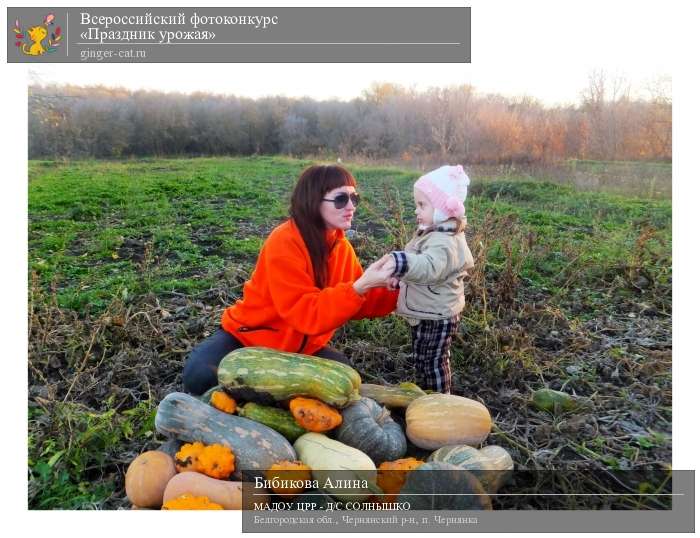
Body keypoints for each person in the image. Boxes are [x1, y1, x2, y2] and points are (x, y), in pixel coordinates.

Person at [182, 164, 398, 395]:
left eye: (355, 198)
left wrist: (401, 289)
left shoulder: (340, 247)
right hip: (249, 339)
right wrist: (360, 286)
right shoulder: (284, 242)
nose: (351, 207)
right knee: (200, 375)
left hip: (301, 352)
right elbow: (304, 311)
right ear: (314, 202)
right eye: (340, 199)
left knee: (344, 377)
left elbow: (361, 301)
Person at [387, 165, 474, 393]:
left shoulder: (444, 241)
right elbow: (419, 262)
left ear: (443, 209)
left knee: (434, 362)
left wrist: (401, 263)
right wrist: (401, 274)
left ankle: (439, 402)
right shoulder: (434, 232)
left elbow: (429, 267)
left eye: (422, 205)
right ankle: (426, 393)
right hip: (428, 310)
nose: (417, 211)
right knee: (423, 356)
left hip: (437, 315)